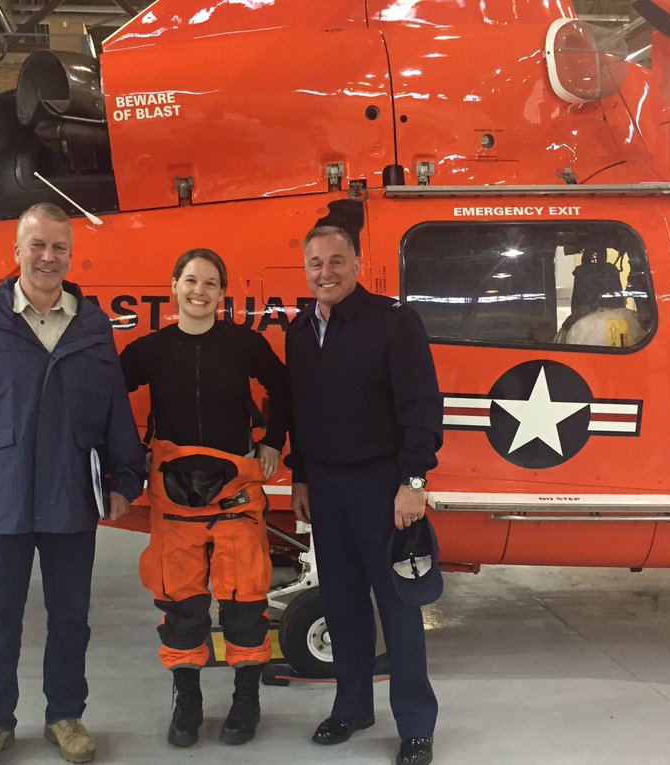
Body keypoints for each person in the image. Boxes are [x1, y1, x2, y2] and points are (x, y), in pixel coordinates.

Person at [0, 202, 146, 765]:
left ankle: (65, 716)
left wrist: (125, 476)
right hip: (0, 493)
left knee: (71, 616)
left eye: (59, 247)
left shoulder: (92, 324)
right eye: (37, 245)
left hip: (71, 491)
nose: (48, 257)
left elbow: (114, 406)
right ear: (17, 250)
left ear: (71, 255)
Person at [120, 248, 291, 748]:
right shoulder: (150, 350)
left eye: (211, 283)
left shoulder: (244, 344)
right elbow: (104, 395)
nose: (200, 291)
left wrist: (273, 441)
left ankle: (245, 699)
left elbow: (285, 387)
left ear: (223, 293)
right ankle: (187, 701)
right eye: (191, 281)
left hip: (236, 496)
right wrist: (129, 453)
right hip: (174, 502)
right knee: (181, 603)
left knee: (245, 601)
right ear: (173, 285)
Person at [286, 225, 443, 765]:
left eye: (336, 261)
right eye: (315, 263)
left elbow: (422, 405)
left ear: (356, 263)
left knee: (399, 607)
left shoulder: (394, 323)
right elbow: (300, 411)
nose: (325, 272)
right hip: (326, 489)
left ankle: (416, 726)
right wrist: (300, 477)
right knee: (342, 604)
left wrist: (414, 483)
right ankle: (352, 708)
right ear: (305, 270)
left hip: (384, 488)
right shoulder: (300, 332)